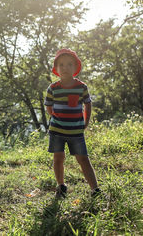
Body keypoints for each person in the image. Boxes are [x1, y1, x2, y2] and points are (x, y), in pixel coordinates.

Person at [44, 48, 100, 198]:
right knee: (58, 158)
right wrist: (55, 117)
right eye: (61, 64)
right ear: (56, 69)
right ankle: (61, 186)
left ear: (75, 68)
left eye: (69, 64)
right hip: (57, 132)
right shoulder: (53, 88)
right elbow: (48, 106)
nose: (65, 68)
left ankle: (95, 189)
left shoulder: (81, 87)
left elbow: (88, 104)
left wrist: (86, 122)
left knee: (83, 159)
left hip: (76, 131)